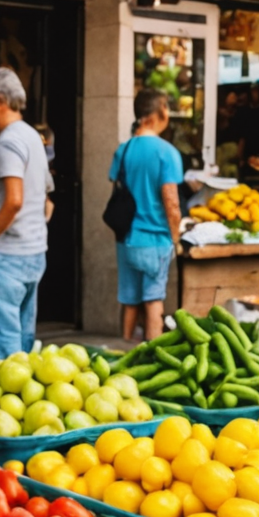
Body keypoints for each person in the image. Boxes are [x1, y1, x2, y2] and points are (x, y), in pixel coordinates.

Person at [0, 67, 49, 360]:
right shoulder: (32, 136)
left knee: (3, 348)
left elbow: (14, 200)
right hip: (33, 250)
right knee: (23, 341)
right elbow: (46, 200)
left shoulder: (9, 141)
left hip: (6, 255)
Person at [109, 89, 184, 343]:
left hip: (127, 238)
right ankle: (154, 353)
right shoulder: (167, 152)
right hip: (155, 239)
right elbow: (171, 202)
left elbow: (118, 188)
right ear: (158, 113)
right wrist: (176, 237)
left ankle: (123, 349)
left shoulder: (123, 150)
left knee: (129, 299)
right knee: (153, 299)